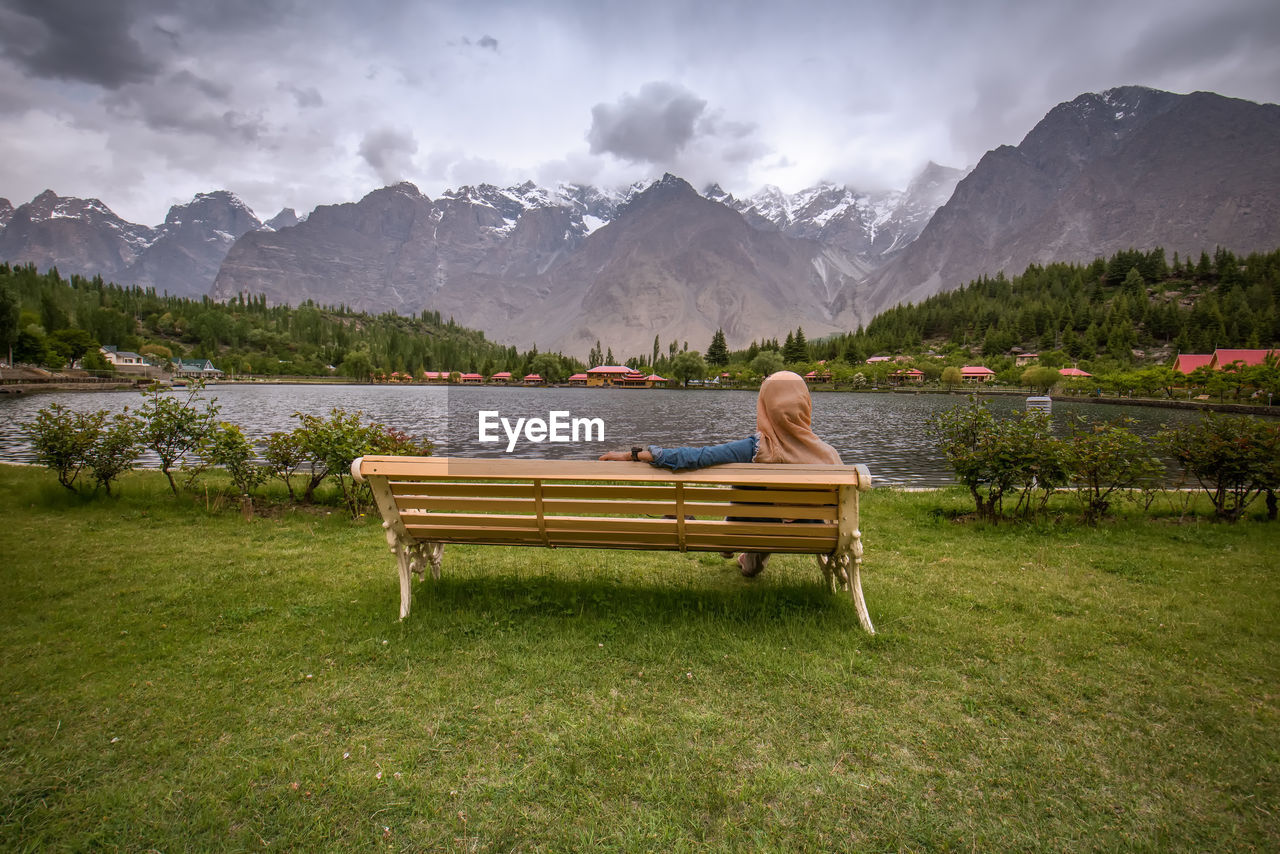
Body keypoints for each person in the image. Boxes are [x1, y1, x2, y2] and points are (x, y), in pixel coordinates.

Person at [599, 370, 842, 577]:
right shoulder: (829, 456)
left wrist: (634, 454)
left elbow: (696, 457)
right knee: (771, 498)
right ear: (805, 403)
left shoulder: (756, 449)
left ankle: (730, 541)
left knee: (754, 488)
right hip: (815, 536)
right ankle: (749, 560)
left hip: (750, 531)